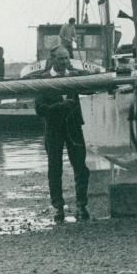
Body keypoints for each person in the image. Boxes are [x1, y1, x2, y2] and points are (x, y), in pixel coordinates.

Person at [28, 46, 91, 222]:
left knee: (81, 168)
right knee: (55, 170)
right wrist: (61, 107)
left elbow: (91, 88)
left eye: (67, 58)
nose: (65, 62)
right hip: (54, 130)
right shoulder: (42, 80)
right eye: (61, 59)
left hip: (74, 128)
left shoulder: (75, 77)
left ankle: (81, 205)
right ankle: (58, 207)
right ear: (52, 60)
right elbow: (40, 109)